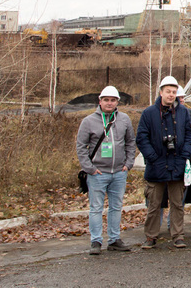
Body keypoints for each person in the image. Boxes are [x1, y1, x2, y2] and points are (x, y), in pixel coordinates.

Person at [136, 75, 191, 249]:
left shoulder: (183, 113)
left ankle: (178, 234)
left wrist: (184, 156)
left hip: (177, 164)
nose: (171, 95)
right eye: (168, 91)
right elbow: (141, 138)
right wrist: (153, 157)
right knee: (154, 204)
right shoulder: (149, 113)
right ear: (161, 92)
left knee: (177, 204)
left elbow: (190, 136)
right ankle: (151, 236)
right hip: (157, 165)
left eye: (174, 92)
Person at [76, 85, 136, 255]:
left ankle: (114, 239)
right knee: (96, 208)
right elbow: (81, 147)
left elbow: (131, 142)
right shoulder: (88, 121)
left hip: (118, 172)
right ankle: (96, 241)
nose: (110, 103)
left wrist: (128, 164)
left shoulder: (124, 119)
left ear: (118, 102)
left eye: (113, 100)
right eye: (106, 100)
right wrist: (90, 169)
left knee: (116, 207)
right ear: (100, 101)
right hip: (98, 173)